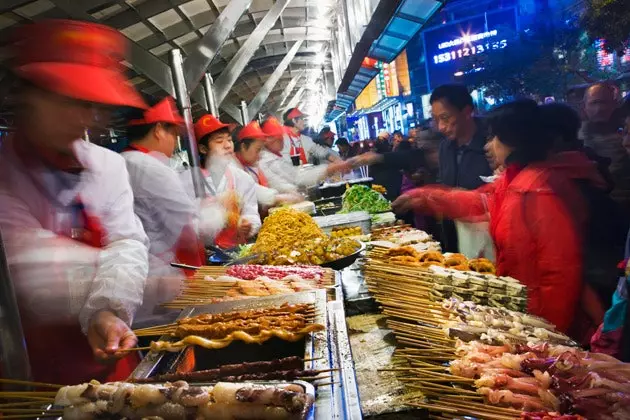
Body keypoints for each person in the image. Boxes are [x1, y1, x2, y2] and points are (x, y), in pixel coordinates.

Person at [0, 19, 149, 384]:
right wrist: (153, 279)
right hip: (30, 370)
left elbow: (127, 240)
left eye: (89, 105)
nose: (81, 118)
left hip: (112, 354)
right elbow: (30, 269)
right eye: (67, 101)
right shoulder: (4, 172)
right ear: (26, 96)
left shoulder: (107, 164)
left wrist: (108, 308)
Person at [393, 100, 608, 335]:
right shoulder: (514, 180)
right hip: (523, 310)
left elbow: (561, 274)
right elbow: (481, 202)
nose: (489, 146)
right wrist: (425, 197)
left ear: (513, 141)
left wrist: (547, 335)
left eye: (493, 138)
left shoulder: (539, 190)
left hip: (546, 322)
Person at [121, 97, 203, 325]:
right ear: (159, 130)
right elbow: (188, 226)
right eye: (173, 134)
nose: (175, 142)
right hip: (164, 283)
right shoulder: (150, 167)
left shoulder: (121, 161)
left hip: (137, 283)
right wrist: (220, 213)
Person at [182, 114, 261, 249]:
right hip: (204, 255)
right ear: (203, 149)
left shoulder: (242, 178)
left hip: (237, 252)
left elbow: (252, 213)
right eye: (219, 141)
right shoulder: (187, 181)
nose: (227, 146)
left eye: (229, 140)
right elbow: (185, 226)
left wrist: (248, 225)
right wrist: (217, 219)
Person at [259, 117, 352, 193]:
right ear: (294, 121)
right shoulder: (268, 158)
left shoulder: (305, 139)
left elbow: (319, 151)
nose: (304, 121)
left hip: (301, 182)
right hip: (295, 185)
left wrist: (337, 162)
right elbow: (292, 176)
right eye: (301, 118)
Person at [580, 82, 630, 212]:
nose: (599, 108)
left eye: (604, 102)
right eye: (594, 103)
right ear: (584, 107)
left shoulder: (626, 133)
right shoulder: (575, 137)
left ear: (614, 104)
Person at [232, 121, 303, 208]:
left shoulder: (251, 164)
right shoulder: (232, 167)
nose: (260, 156)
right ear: (243, 147)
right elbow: (251, 188)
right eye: (258, 150)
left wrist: (290, 190)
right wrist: (278, 198)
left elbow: (272, 180)